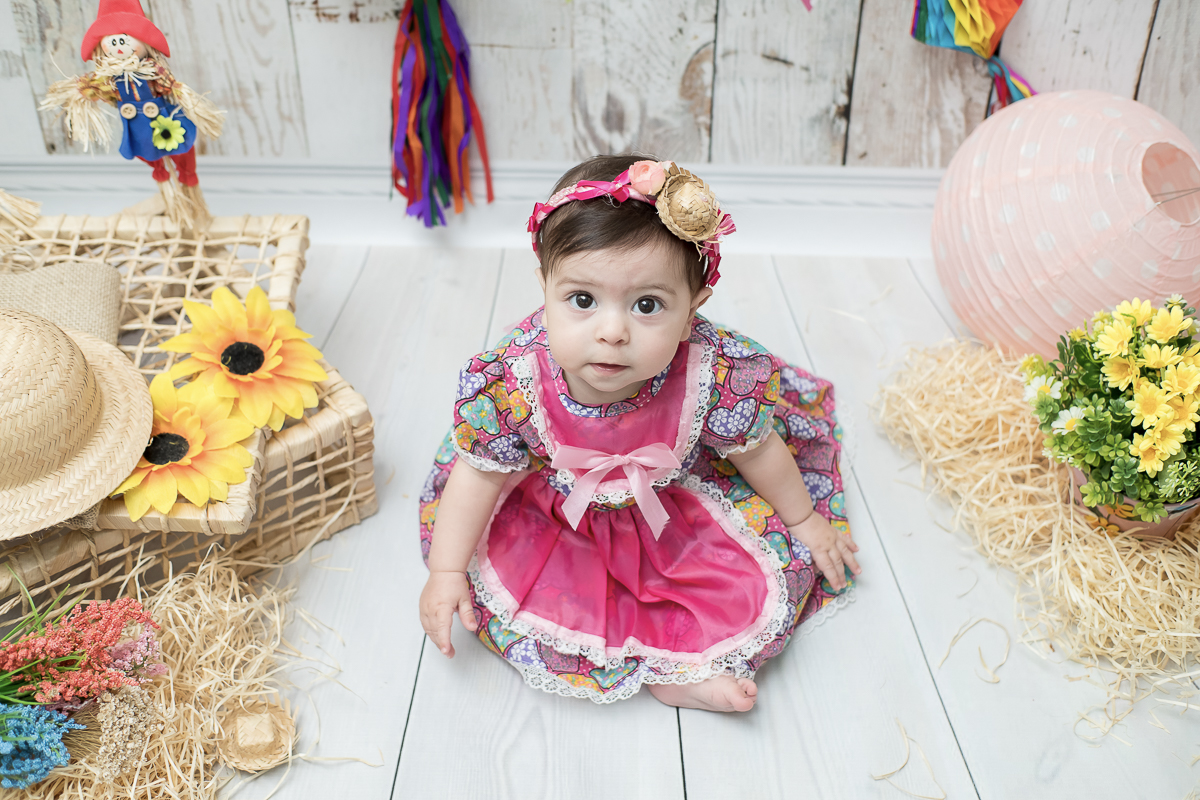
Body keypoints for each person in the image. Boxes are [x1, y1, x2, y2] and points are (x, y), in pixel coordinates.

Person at [418, 154, 860, 712]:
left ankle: (684, 673)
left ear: (694, 306)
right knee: (562, 593)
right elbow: (479, 475)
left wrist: (804, 519)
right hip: (557, 515)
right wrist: (446, 570)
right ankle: (655, 666)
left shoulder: (714, 372)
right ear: (544, 287)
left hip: (673, 508)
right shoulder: (513, 380)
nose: (611, 332)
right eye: (581, 300)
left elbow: (760, 451)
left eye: (647, 305)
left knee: (728, 579)